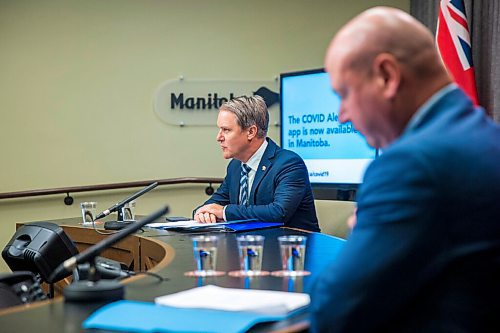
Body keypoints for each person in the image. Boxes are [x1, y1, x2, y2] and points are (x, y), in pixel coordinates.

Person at [310, 6, 500, 332]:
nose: (342, 114)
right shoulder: (486, 136)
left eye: (344, 94)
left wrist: (361, 230)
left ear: (387, 75)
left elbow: (334, 313)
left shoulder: (410, 166)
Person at [193, 95, 320, 232]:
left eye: (226, 130)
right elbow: (214, 204)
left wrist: (224, 211)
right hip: (250, 246)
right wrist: (203, 213)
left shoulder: (289, 164)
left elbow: (278, 212)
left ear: (251, 132)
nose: (219, 137)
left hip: (293, 249)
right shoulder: (235, 166)